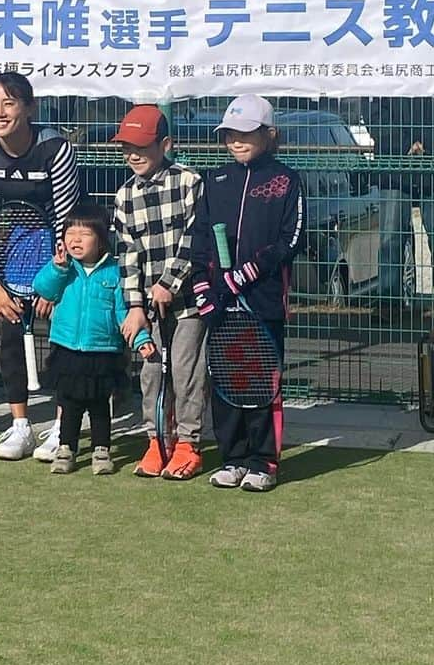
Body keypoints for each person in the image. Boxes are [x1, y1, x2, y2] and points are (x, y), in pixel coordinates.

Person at [191, 94, 305, 493]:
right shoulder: (216, 179)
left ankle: (263, 461)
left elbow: (289, 240)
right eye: (229, 135)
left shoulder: (287, 180)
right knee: (226, 382)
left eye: (246, 134)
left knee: (262, 384)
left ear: (268, 135)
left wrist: (242, 276)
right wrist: (206, 288)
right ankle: (233, 457)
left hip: (262, 302)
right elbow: (200, 237)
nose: (236, 142)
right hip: (221, 304)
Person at [0, 73, 81, 461]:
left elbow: (67, 219)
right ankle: (20, 426)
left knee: (65, 342)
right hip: (10, 258)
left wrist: (55, 282)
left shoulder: (55, 147)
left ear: (29, 108)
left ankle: (63, 428)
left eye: (9, 103)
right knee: (11, 338)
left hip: (61, 257)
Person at [111, 104, 207, 480]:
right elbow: (127, 254)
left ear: (165, 144)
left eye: (143, 146)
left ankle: (189, 444)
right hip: (147, 307)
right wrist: (135, 306)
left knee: (186, 370)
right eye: (126, 147)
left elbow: (194, 240)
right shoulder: (124, 196)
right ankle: (156, 441)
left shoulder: (189, 182)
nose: (133, 154)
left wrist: (169, 283)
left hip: (189, 303)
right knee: (151, 371)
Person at [31, 204, 154, 474]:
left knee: (100, 406)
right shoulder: (63, 268)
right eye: (69, 233)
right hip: (67, 350)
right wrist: (58, 268)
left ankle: (102, 450)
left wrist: (141, 339)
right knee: (69, 404)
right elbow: (42, 288)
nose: (75, 239)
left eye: (84, 234)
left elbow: (124, 313)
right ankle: (66, 448)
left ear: (101, 239)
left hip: (103, 351)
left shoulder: (115, 272)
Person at [361, 96, 434, 324]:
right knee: (390, 237)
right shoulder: (384, 63)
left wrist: (427, 143)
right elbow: (372, 110)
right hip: (394, 165)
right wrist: (404, 144)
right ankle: (389, 302)